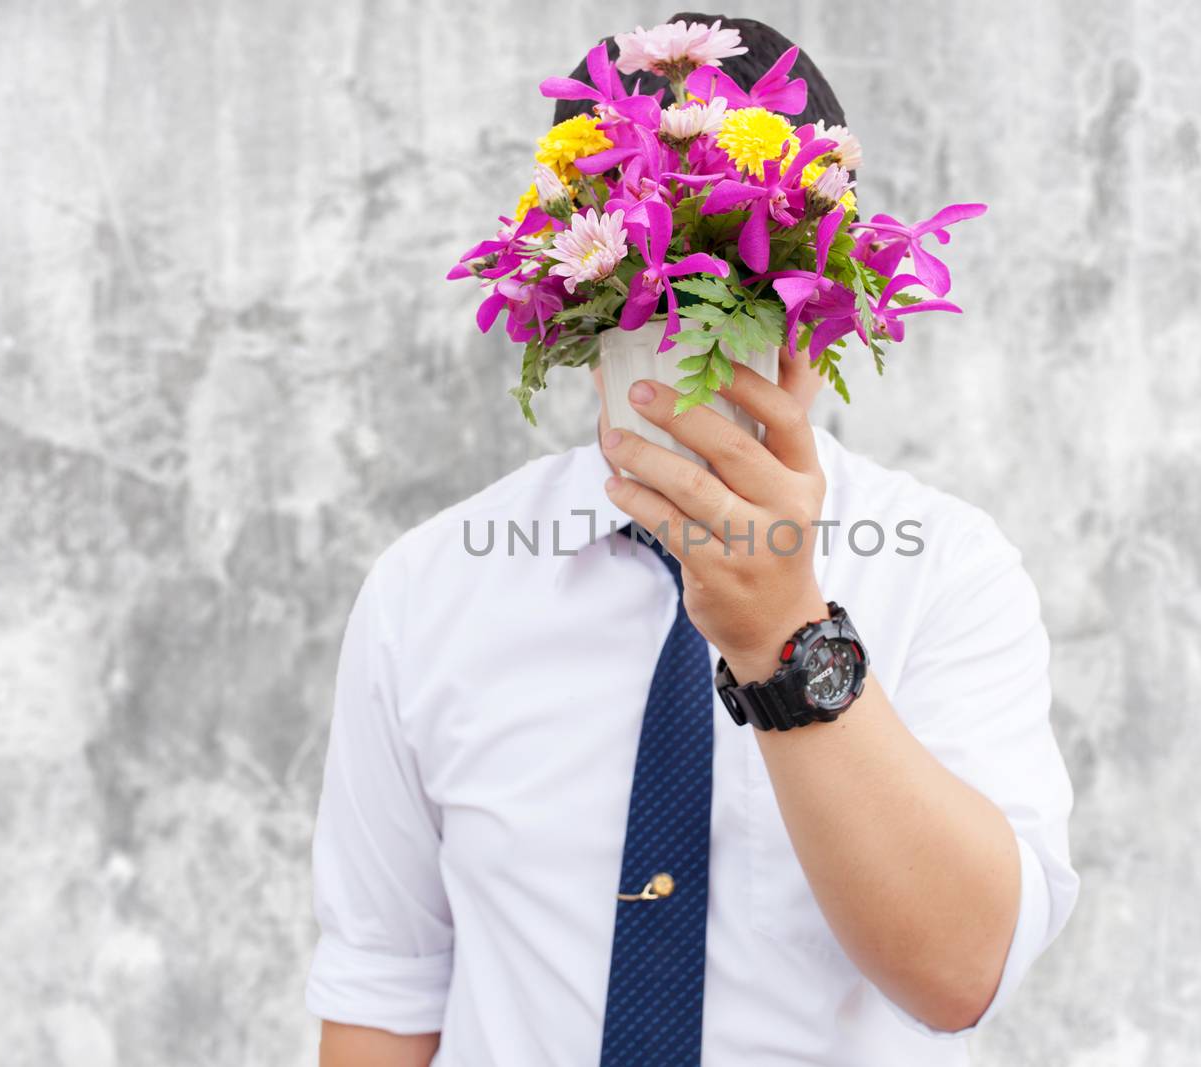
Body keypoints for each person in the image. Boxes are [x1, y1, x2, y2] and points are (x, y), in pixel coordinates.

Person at [307, 14, 1078, 1067]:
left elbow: (960, 974)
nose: (678, 319)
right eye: (646, 274)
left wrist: (786, 637)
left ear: (825, 302)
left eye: (736, 276)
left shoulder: (947, 570)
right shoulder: (428, 590)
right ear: (566, 294)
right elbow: (385, 974)